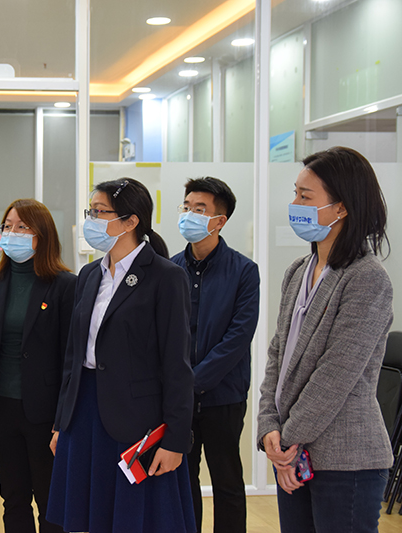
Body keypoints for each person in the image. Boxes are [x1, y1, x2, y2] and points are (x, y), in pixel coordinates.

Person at [47, 178, 196, 533]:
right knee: (89, 516)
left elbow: (177, 365)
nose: (91, 220)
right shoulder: (89, 275)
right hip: (84, 410)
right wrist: (61, 421)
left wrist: (175, 439)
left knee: (133, 519)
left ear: (131, 221)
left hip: (136, 419)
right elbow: (73, 357)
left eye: (100, 212)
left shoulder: (165, 277)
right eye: (90, 211)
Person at [257, 146, 393, 533]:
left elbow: (336, 374)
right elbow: (277, 356)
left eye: (306, 196)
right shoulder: (298, 270)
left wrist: (287, 440)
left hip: (345, 458)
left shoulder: (367, 277)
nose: (294, 205)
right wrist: (268, 425)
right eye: (295, 194)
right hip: (293, 452)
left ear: (341, 208)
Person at [0, 199, 76, 533]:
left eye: (21, 226)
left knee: (50, 503)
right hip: (1, 409)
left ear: (41, 235)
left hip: (45, 413)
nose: (11, 232)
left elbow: (70, 358)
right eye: (7, 226)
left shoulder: (64, 285)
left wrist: (64, 419)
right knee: (13, 499)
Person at [171, 177, 259, 533]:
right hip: (178, 398)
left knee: (227, 480)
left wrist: (193, 381)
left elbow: (238, 337)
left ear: (219, 221)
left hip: (224, 394)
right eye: (186, 207)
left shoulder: (244, 271)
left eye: (199, 209)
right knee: (182, 479)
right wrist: (177, 384)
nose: (189, 214)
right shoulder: (170, 269)